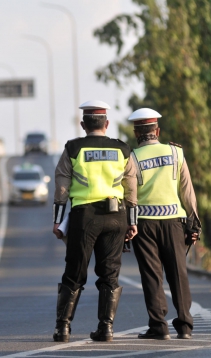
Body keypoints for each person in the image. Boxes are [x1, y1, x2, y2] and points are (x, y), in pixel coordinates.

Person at [51, 100, 138, 343]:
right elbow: (131, 189)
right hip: (116, 217)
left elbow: (61, 189)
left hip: (84, 217)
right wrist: (132, 222)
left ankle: (63, 328)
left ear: (83, 124)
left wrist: (58, 221)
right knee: (110, 273)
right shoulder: (123, 150)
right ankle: (106, 328)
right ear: (107, 124)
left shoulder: (73, 148)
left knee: (75, 272)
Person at [127, 108, 201, 340]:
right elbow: (187, 191)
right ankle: (185, 325)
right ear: (157, 131)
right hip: (174, 222)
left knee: (152, 274)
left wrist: (128, 224)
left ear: (136, 133)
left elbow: (129, 195)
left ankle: (159, 326)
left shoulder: (132, 158)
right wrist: (194, 223)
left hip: (144, 223)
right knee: (178, 272)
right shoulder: (176, 153)